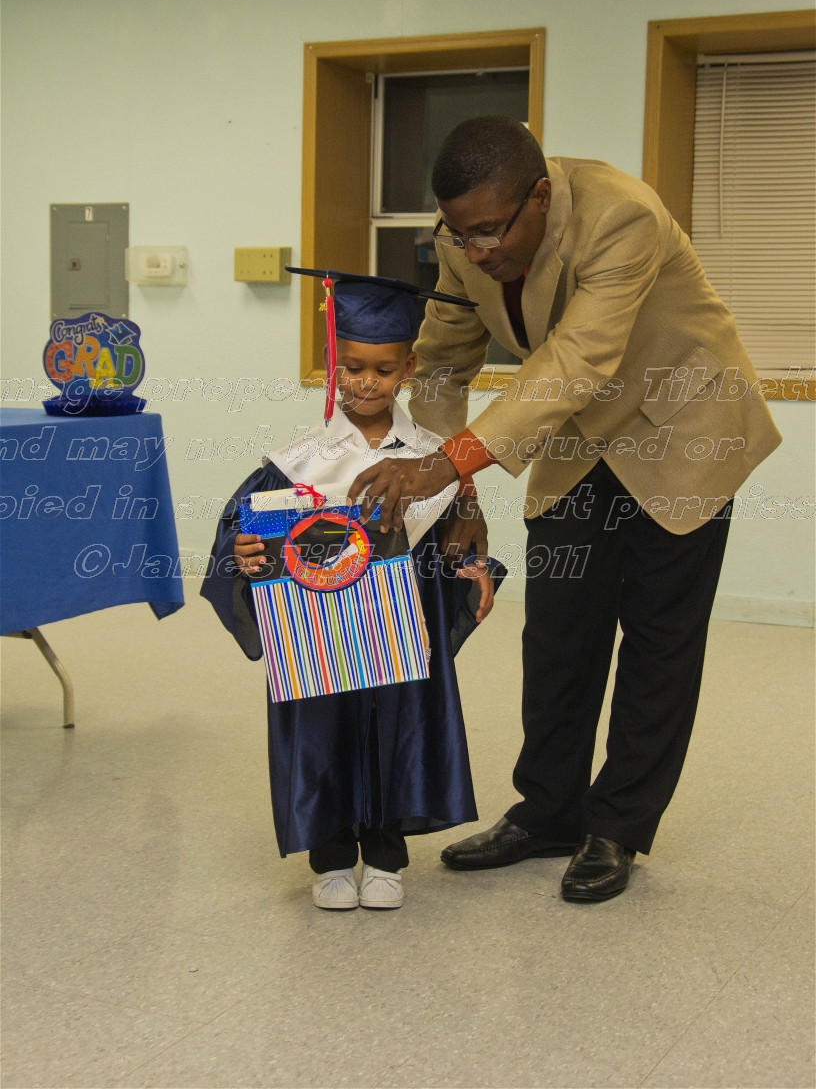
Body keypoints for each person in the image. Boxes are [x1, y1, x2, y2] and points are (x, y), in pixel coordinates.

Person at [346, 115, 782, 903]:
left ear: (540, 197)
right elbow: (441, 367)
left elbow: (578, 359)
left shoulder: (622, 215)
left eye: (489, 231)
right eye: (459, 233)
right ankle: (547, 812)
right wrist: (459, 495)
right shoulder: (462, 241)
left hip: (686, 422)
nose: (476, 251)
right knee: (557, 630)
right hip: (581, 431)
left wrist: (443, 462)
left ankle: (617, 825)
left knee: (658, 637)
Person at [201, 271, 500, 911]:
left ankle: (387, 856)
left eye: (384, 370)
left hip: (397, 630)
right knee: (323, 732)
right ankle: (332, 857)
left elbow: (452, 542)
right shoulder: (296, 460)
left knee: (397, 726)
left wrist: (469, 568)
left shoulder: (432, 458)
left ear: (409, 369)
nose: (367, 382)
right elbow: (243, 543)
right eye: (354, 367)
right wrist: (244, 556)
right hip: (316, 633)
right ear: (333, 363)